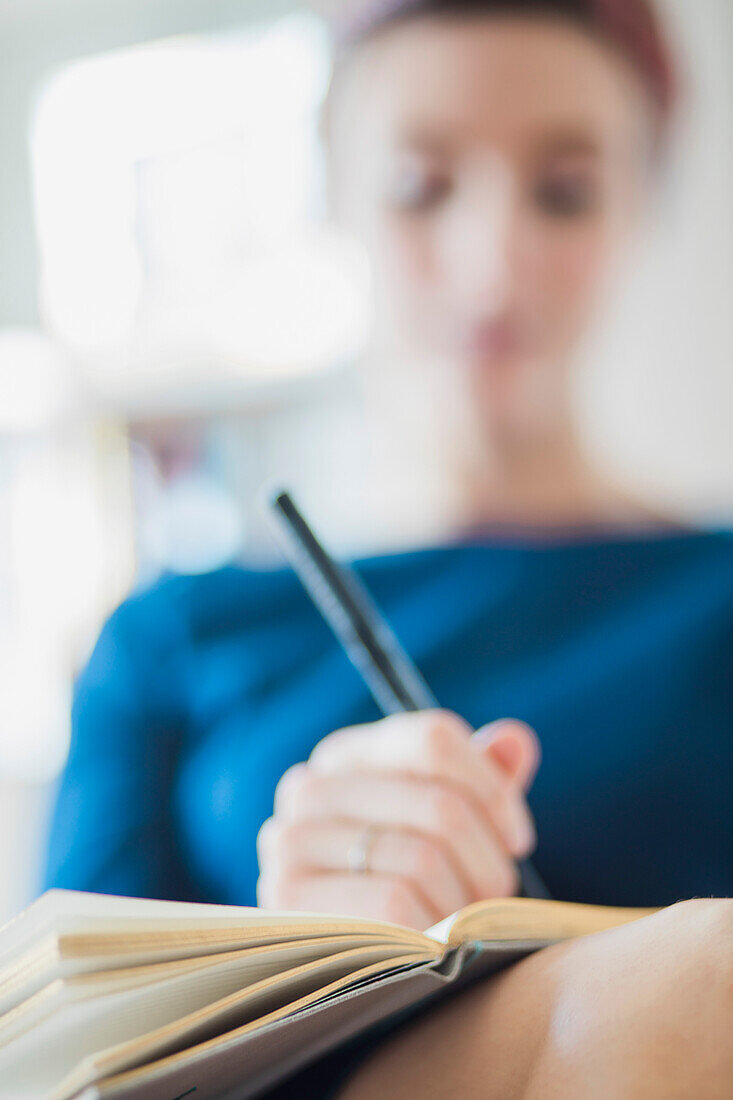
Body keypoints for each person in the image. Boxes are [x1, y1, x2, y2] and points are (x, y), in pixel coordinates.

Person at [44, 0, 732, 1095]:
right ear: (335, 197)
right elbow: (67, 1066)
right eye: (422, 186)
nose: (492, 260)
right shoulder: (168, 638)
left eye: (563, 190)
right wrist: (299, 969)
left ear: (643, 203)